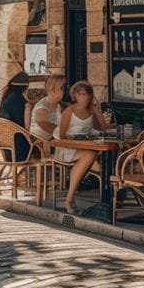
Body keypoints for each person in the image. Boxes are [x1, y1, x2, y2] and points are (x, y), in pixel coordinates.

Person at [57, 80, 111, 214]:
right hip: (67, 148)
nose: (82, 97)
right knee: (91, 155)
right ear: (75, 96)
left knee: (95, 156)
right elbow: (62, 135)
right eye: (79, 94)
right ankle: (69, 199)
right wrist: (75, 139)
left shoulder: (91, 111)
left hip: (85, 147)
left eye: (85, 94)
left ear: (90, 96)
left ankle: (71, 198)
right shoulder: (69, 110)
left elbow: (102, 129)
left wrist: (97, 110)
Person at [0, 72, 31, 160]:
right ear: (26, 87)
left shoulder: (5, 98)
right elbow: (27, 128)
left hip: (5, 148)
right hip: (19, 148)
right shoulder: (23, 102)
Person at [29, 74, 66, 141]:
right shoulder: (43, 106)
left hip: (52, 140)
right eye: (62, 88)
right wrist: (64, 132)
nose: (66, 90)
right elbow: (44, 124)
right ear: (52, 90)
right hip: (38, 142)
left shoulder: (58, 105)